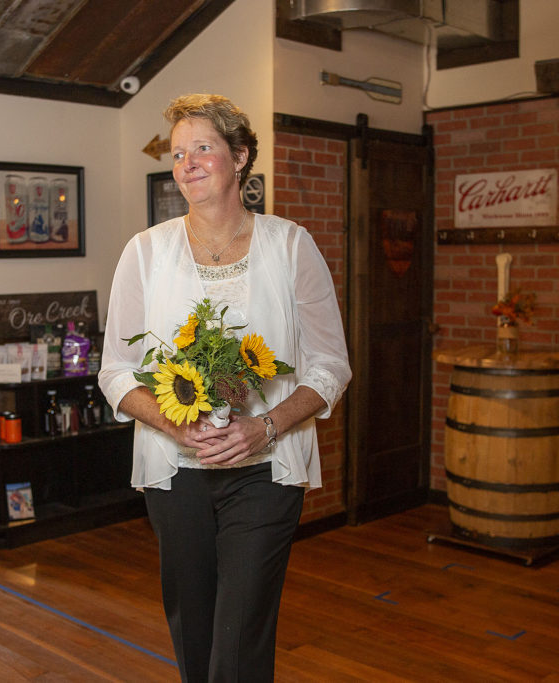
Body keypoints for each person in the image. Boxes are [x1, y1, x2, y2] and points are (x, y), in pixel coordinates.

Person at [98, 93, 351, 682]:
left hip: (265, 472)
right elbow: (115, 371)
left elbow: (330, 365)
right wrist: (171, 421)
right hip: (174, 472)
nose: (186, 163)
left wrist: (264, 425)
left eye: (202, 148)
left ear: (240, 158)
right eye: (178, 153)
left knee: (238, 641)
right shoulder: (145, 253)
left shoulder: (290, 246)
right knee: (194, 630)